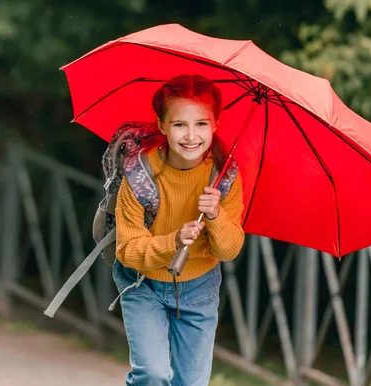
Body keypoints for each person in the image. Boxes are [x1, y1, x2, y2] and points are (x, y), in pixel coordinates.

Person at [112, 74, 245, 386]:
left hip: (199, 287)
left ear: (215, 125)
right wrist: (173, 241)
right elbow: (127, 250)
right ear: (161, 125)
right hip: (142, 282)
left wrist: (215, 216)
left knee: (191, 383)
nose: (190, 136)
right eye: (179, 124)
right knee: (153, 374)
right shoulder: (140, 174)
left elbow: (229, 250)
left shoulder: (224, 176)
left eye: (201, 124)